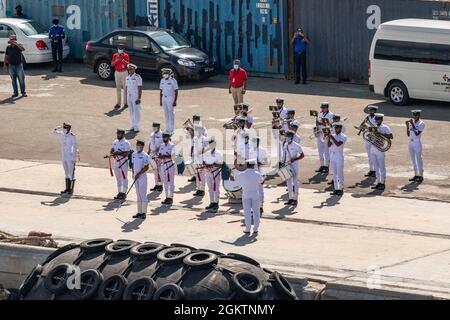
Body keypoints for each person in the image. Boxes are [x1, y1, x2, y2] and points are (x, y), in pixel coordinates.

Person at [236, 159, 263, 235]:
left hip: (246, 194)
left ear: (246, 165)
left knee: (247, 212)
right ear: (253, 165)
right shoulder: (257, 174)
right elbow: (261, 182)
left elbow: (234, 178)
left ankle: (247, 229)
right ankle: (255, 229)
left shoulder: (241, 174)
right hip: (255, 194)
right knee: (256, 212)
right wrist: (264, 178)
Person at [52, 122, 78, 195]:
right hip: (64, 156)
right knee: (66, 173)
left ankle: (71, 189)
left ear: (69, 129)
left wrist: (73, 157)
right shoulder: (61, 134)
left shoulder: (72, 136)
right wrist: (57, 127)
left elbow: (74, 146)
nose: (64, 129)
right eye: (64, 128)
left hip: (70, 156)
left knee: (71, 173)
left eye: (65, 128)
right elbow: (53, 132)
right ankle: (66, 188)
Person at [370, 114, 394, 191]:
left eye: (378, 120)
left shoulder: (385, 127)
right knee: (376, 167)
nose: (377, 121)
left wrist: (380, 134)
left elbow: (391, 136)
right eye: (376, 120)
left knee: (381, 167)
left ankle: (382, 183)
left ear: (381, 120)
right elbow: (369, 136)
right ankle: (378, 182)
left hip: (380, 149)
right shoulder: (373, 126)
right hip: (373, 148)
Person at [281, 131, 305, 206]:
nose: (286, 138)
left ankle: (295, 199)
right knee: (288, 182)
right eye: (286, 136)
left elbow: (302, 155)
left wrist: (294, 159)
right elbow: (284, 155)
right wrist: (282, 163)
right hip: (287, 165)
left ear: (291, 137)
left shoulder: (296, 145)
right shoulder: (285, 144)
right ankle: (290, 198)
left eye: (287, 136)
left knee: (295, 182)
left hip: (294, 165)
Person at [109, 128, 131, 200]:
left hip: (123, 162)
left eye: (120, 133)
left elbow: (127, 153)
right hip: (116, 162)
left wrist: (118, 153)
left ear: (123, 134)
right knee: (118, 178)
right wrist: (112, 153)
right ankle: (119, 192)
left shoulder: (126, 143)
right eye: (118, 133)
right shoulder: (115, 141)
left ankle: (124, 193)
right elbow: (112, 150)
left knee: (124, 177)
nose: (118, 135)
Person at [203, 139, 223, 213]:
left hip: (215, 172)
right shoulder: (207, 153)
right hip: (208, 172)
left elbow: (221, 164)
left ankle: (216, 203)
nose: (211, 146)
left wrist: (214, 165)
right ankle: (212, 202)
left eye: (213, 144)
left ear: (215, 144)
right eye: (210, 144)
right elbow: (204, 161)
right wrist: (206, 165)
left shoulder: (218, 153)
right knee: (210, 188)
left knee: (216, 188)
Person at [131, 140, 150, 220]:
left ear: (142, 146)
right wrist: (133, 174)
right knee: (138, 195)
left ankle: (144, 213)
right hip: (135, 177)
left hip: (142, 177)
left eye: (139, 145)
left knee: (143, 195)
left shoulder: (145, 155)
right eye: (137, 145)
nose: (138, 146)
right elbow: (132, 165)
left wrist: (139, 174)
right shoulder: (133, 154)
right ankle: (139, 212)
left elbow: (146, 167)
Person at [327, 123, 347, 196]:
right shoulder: (333, 135)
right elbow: (329, 145)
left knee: (339, 173)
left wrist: (331, 138)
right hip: (332, 154)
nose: (336, 129)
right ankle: (336, 188)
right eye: (335, 128)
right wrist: (329, 138)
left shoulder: (343, 136)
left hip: (339, 155)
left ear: (340, 128)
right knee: (334, 173)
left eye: (338, 128)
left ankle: (340, 189)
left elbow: (338, 144)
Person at [407, 110, 425, 183]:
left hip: (417, 142)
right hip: (410, 142)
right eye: (414, 115)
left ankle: (420, 175)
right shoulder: (412, 122)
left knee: (418, 159)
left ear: (419, 115)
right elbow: (408, 134)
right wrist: (407, 126)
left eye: (416, 115)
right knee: (413, 159)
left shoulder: (421, 123)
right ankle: (416, 174)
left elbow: (417, 133)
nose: (415, 116)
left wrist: (412, 124)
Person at [315, 103, 334, 174]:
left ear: (327, 108)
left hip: (326, 134)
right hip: (320, 133)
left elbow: (331, 125)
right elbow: (317, 121)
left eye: (323, 108)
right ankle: (322, 165)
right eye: (321, 108)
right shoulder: (320, 113)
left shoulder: (331, 115)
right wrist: (316, 126)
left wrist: (322, 124)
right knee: (320, 151)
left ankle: (327, 167)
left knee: (326, 152)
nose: (322, 109)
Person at [158, 132, 176, 205]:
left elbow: (173, 156)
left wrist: (164, 156)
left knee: (170, 182)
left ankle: (170, 197)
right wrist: (160, 156)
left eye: (165, 137)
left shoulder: (172, 145)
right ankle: (166, 197)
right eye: (163, 137)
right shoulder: (162, 145)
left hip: (170, 165)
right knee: (165, 182)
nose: (164, 139)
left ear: (168, 138)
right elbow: (160, 154)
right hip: (163, 165)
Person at [361, 105, 379, 178]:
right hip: (367, 138)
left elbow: (376, 128)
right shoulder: (367, 118)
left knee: (374, 155)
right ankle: (371, 170)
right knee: (369, 156)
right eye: (369, 110)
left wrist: (368, 126)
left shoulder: (377, 118)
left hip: (374, 138)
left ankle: (375, 170)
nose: (370, 112)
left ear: (374, 111)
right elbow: (363, 126)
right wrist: (362, 128)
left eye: (372, 110)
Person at [160, 68, 179, 133]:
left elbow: (176, 91)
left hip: (170, 98)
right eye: (164, 73)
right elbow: (161, 90)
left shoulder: (173, 81)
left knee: (171, 114)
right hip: (164, 98)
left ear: (169, 74)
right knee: (166, 113)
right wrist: (160, 100)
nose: (165, 75)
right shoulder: (162, 80)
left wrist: (175, 101)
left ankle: (171, 129)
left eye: (166, 74)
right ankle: (167, 128)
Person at [125, 64, 143, 132]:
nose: (130, 70)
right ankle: (133, 125)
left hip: (136, 97)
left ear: (134, 69)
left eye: (132, 69)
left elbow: (140, 88)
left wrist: (139, 98)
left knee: (137, 111)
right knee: (131, 111)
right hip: (129, 96)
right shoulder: (127, 77)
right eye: (129, 69)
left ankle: (137, 126)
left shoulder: (137, 77)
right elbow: (126, 87)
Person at [111, 45, 130, 109]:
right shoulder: (115, 55)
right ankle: (118, 104)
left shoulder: (126, 55)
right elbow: (112, 64)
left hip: (124, 72)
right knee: (118, 88)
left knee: (125, 88)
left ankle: (125, 103)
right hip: (117, 72)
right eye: (119, 48)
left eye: (121, 49)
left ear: (123, 49)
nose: (120, 50)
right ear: (117, 49)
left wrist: (122, 59)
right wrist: (116, 60)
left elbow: (128, 65)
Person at [192, 125, 208, 197]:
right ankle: (198, 189)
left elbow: (208, 149)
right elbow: (192, 147)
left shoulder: (205, 139)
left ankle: (202, 190)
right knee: (197, 175)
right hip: (196, 159)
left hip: (202, 159)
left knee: (202, 175)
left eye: (198, 130)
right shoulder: (194, 138)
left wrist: (202, 152)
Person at [254, 138, 268, 214]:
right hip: (252, 172)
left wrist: (260, 162)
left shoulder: (262, 150)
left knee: (260, 190)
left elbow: (266, 161)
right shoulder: (250, 150)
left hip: (260, 172)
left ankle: (260, 206)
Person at [148, 123, 163, 192]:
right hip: (152, 154)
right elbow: (149, 143)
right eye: (153, 127)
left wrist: (158, 150)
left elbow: (163, 144)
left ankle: (160, 185)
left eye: (155, 127)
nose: (154, 128)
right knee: (154, 170)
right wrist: (148, 151)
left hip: (158, 155)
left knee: (159, 170)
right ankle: (156, 184)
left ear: (159, 127)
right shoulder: (152, 134)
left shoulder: (162, 134)